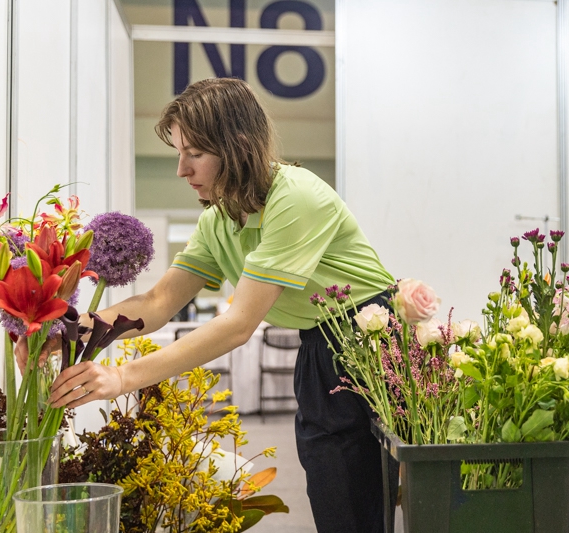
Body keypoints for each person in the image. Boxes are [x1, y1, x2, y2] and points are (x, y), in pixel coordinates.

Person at [46, 78, 397, 533]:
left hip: (372, 337)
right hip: (321, 342)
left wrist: (122, 376)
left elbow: (238, 325)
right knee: (335, 487)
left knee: (372, 490)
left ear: (237, 147)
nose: (181, 170)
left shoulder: (297, 196)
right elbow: (157, 302)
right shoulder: (218, 220)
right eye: (179, 153)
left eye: (194, 154)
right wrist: (71, 329)